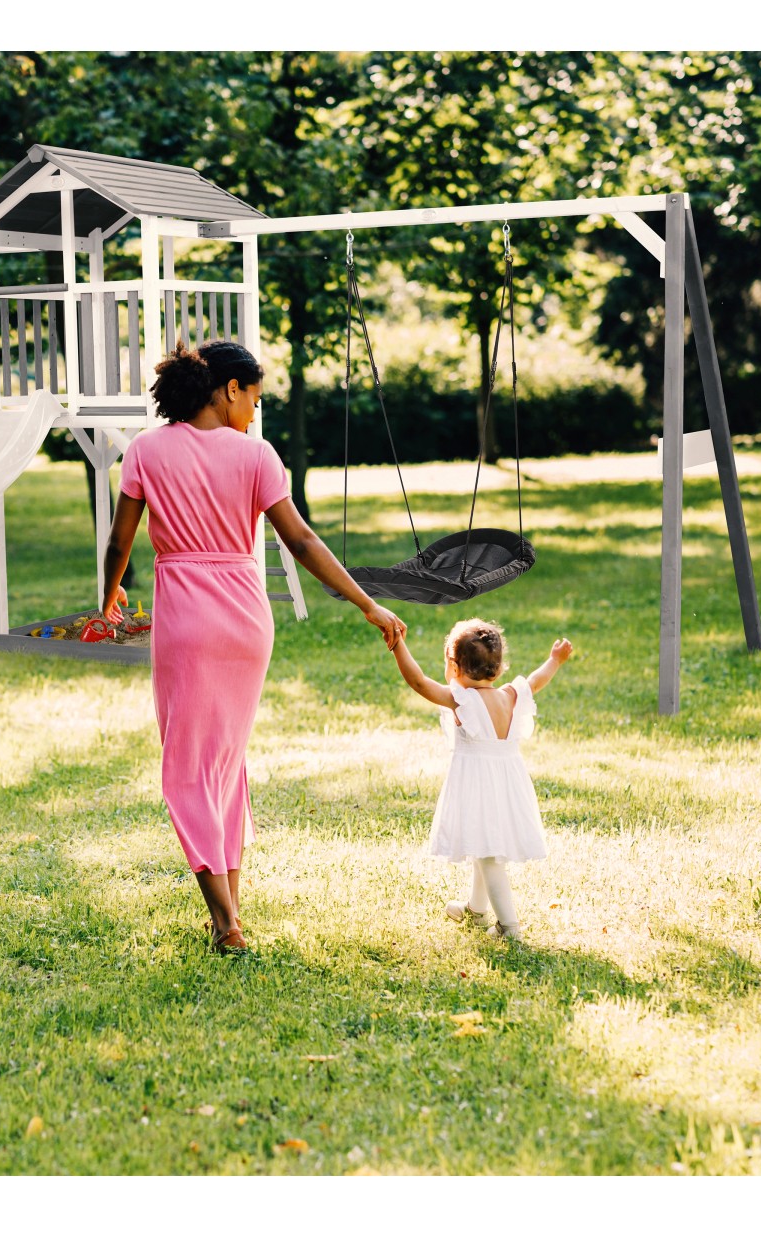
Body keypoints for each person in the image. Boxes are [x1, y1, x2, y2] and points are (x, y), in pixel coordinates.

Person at [102, 340, 407, 954]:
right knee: (224, 765)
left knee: (188, 770)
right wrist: (367, 602)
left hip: (186, 619)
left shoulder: (146, 450)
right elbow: (301, 542)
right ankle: (230, 913)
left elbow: (120, 541)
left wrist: (107, 598)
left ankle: (224, 923)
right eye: (255, 399)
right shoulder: (257, 456)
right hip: (245, 619)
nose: (255, 413)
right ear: (229, 389)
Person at [388, 617, 572, 941]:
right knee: (481, 845)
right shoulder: (511, 695)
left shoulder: (462, 700)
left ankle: (509, 927)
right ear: (498, 669)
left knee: (488, 857)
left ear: (454, 667)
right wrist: (554, 660)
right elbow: (536, 680)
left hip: (479, 787)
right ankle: (475, 909)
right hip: (507, 786)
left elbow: (418, 682)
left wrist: (397, 644)